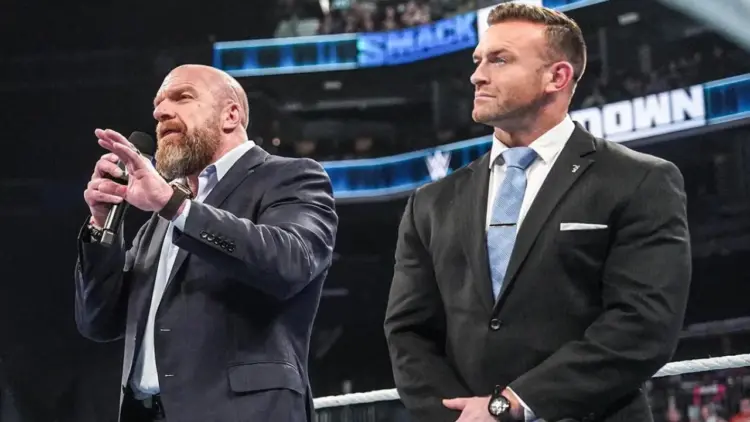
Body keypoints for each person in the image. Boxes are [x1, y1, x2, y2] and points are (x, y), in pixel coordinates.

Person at [384, 3, 691, 422]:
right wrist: (462, 417)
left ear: (557, 77)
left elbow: (643, 325)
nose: (477, 75)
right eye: (478, 60)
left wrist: (512, 404)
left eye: (499, 59)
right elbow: (408, 333)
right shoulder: (431, 202)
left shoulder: (639, 180)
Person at [75, 64, 338, 422]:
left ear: (231, 115)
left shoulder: (290, 176)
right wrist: (102, 224)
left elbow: (291, 263)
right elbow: (98, 322)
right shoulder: (161, 218)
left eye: (182, 97)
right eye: (157, 104)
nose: (161, 111)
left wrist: (173, 205)